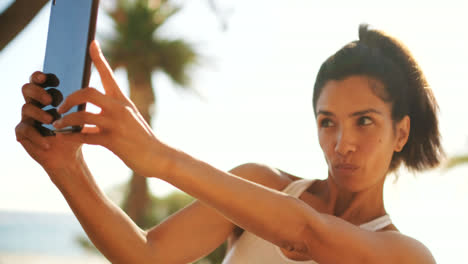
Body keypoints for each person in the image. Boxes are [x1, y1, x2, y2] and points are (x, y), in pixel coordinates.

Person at [16, 24, 443, 263]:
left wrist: (159, 158)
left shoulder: (406, 256)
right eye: (327, 121)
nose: (342, 143)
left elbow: (307, 231)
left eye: (364, 121)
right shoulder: (263, 186)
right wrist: (65, 168)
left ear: (400, 132)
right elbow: (145, 256)